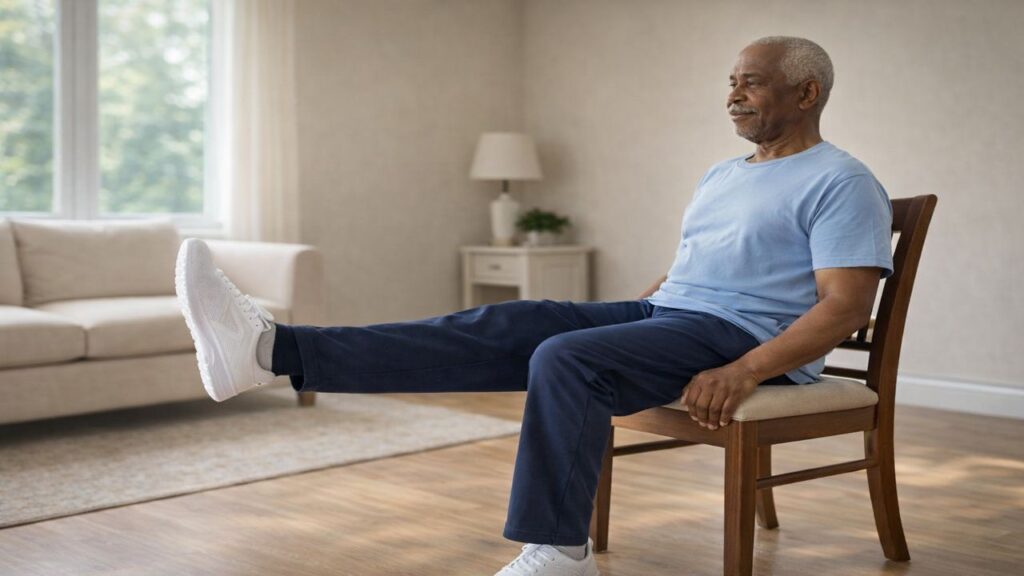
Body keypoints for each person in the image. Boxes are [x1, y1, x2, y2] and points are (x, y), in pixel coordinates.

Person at [175, 36, 893, 576]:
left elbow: (844, 308)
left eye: (753, 83)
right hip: (671, 317)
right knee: (510, 321)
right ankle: (272, 351)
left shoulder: (841, 181)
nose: (734, 95)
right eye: (731, 82)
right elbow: (699, 268)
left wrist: (744, 371)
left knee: (567, 358)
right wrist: (639, 311)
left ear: (806, 93)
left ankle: (558, 550)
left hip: (742, 340)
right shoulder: (723, 174)